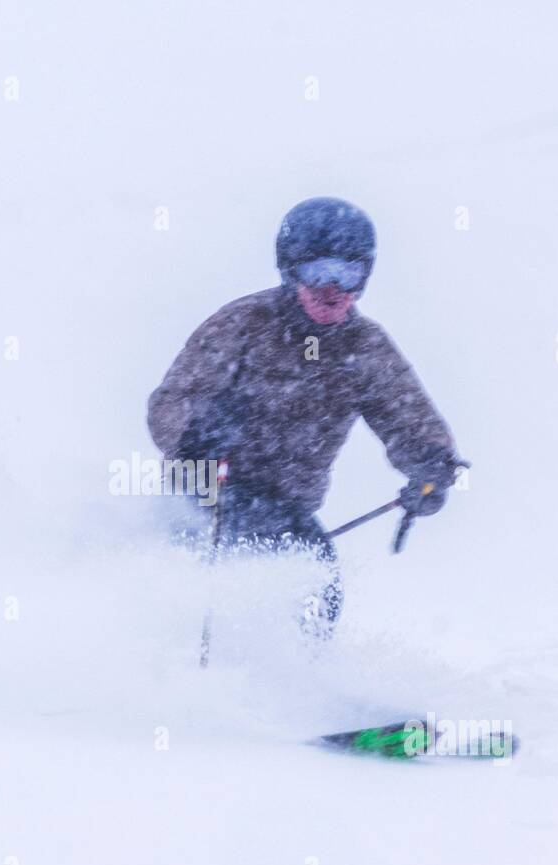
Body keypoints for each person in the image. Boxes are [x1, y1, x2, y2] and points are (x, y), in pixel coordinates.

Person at [146, 197, 463, 633]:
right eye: (317, 273)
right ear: (289, 271)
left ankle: (303, 681)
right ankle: (175, 669)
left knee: (315, 578)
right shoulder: (243, 323)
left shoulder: (365, 347)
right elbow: (170, 402)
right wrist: (197, 432)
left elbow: (406, 414)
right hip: (208, 494)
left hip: (286, 506)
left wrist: (431, 462)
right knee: (205, 587)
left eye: (348, 274)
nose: (332, 290)